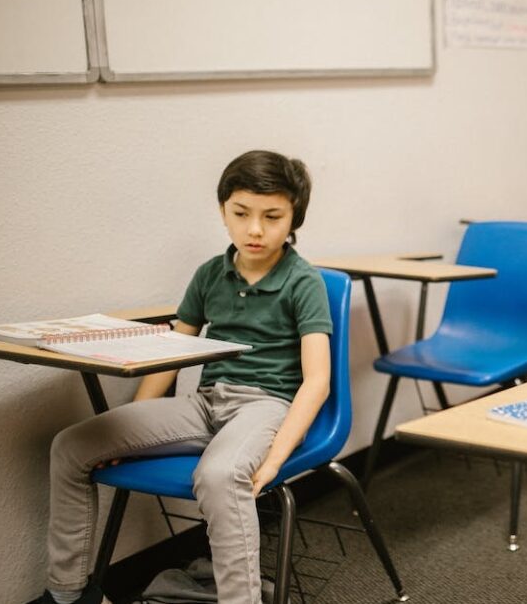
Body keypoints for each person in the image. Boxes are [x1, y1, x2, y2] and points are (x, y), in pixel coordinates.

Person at [41, 150, 333, 604]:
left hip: (265, 405)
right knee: (72, 445)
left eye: (272, 216)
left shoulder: (303, 282)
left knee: (219, 474)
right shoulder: (208, 275)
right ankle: (68, 594)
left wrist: (275, 458)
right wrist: (128, 428)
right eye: (241, 214)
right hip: (205, 404)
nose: (255, 229)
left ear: (294, 218)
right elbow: (173, 353)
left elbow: (317, 381)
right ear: (223, 212)